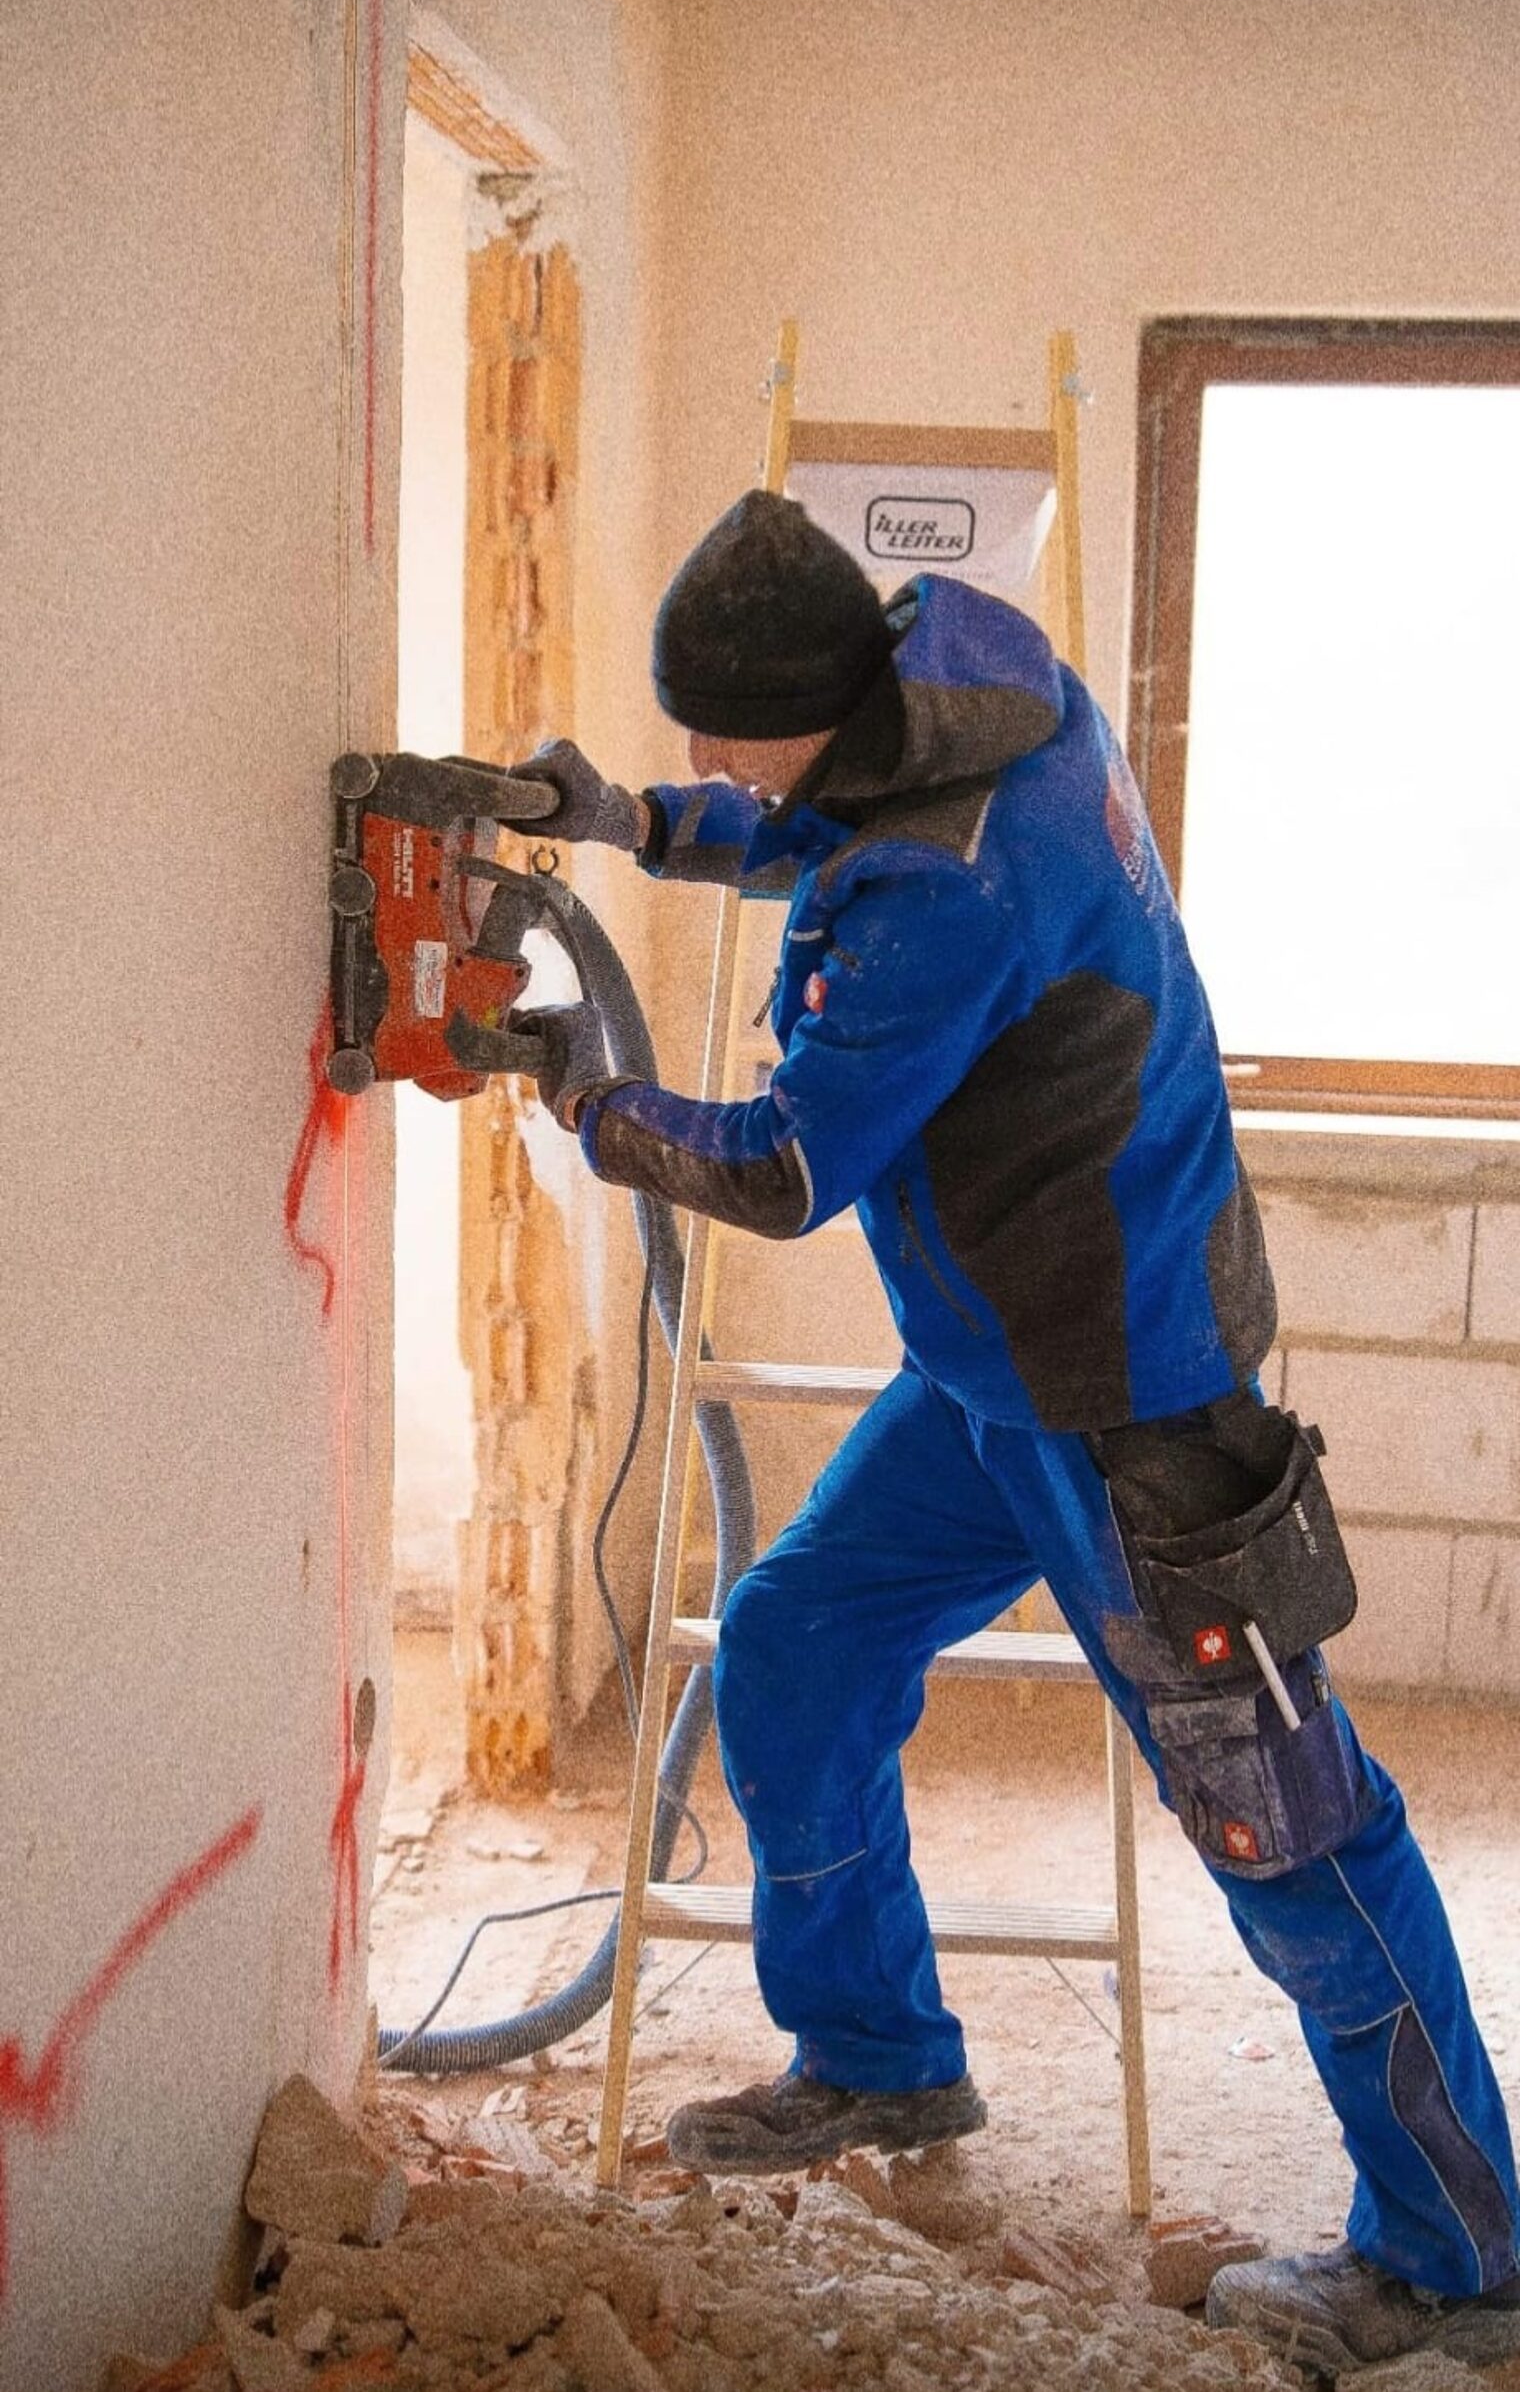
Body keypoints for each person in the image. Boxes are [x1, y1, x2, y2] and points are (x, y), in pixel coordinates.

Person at [507, 490, 1520, 2377]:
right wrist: (636, 823)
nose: (714, 759)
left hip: (1134, 1404)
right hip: (998, 1369)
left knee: (1290, 1831)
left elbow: (789, 1166)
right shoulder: (965, 688)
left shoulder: (949, 885)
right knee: (798, 1647)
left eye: (720, 735)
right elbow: (813, 810)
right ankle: (880, 2056)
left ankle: (1460, 2259)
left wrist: (591, 1099)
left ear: (813, 700)